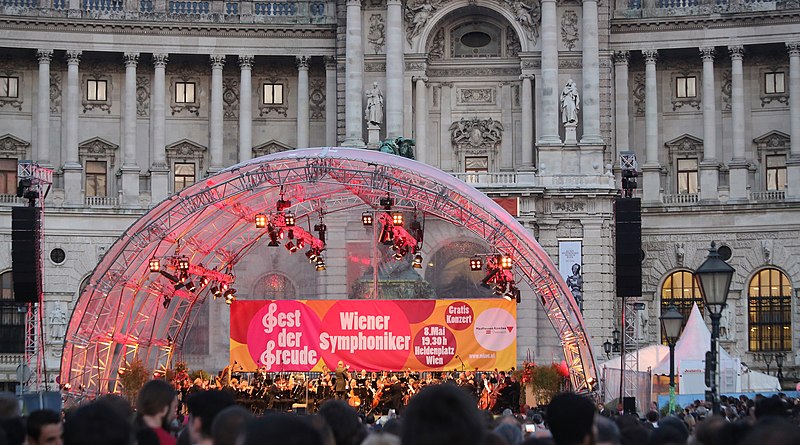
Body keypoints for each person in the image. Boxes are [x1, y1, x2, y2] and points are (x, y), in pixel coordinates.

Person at [136, 379, 178, 445]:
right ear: (163, 408)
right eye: (174, 408)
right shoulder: (167, 441)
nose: (174, 415)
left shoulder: (123, 433)